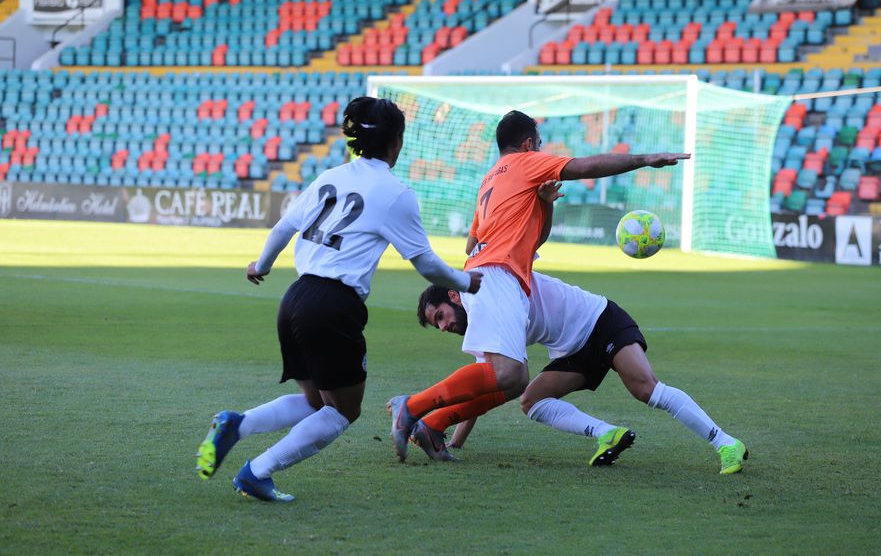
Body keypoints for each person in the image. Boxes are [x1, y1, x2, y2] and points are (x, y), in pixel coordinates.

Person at [195, 97, 482, 502]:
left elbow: (283, 227)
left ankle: (236, 425)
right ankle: (257, 472)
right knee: (343, 410)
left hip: (295, 298)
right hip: (332, 306)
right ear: (396, 142)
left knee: (317, 402)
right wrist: (468, 282)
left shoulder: (330, 176)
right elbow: (429, 266)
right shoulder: (395, 193)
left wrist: (260, 265)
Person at [388, 109, 689, 462]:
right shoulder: (526, 163)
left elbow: (479, 245)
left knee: (515, 382)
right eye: (539, 145)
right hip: (498, 275)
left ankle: (432, 423)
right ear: (529, 143)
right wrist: (645, 159)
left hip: (499, 274)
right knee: (510, 373)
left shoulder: (490, 180)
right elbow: (587, 167)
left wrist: (543, 207)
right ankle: (413, 407)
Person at [413, 270, 748, 475]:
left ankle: (726, 443)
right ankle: (607, 434)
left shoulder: (489, 294)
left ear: (454, 295)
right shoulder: (482, 323)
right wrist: (456, 440)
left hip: (600, 320)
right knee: (532, 401)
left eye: (440, 316)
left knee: (646, 389)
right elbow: (485, 381)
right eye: (436, 324)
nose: (443, 327)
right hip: (573, 349)